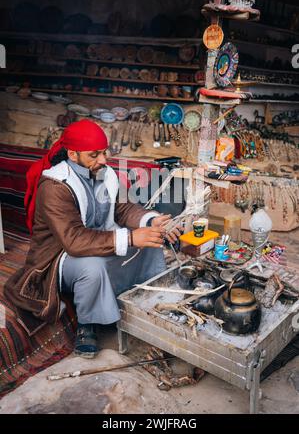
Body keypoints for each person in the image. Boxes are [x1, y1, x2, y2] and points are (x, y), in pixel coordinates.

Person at [4, 119, 181, 358]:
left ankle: (148, 300)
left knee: (151, 240)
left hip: (99, 240)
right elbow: (74, 241)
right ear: (73, 154)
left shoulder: (101, 173)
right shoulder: (55, 186)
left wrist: (151, 221)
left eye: (104, 152)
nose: (103, 160)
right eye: (94, 155)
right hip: (59, 258)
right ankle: (88, 325)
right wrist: (129, 238)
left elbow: (122, 209)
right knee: (93, 266)